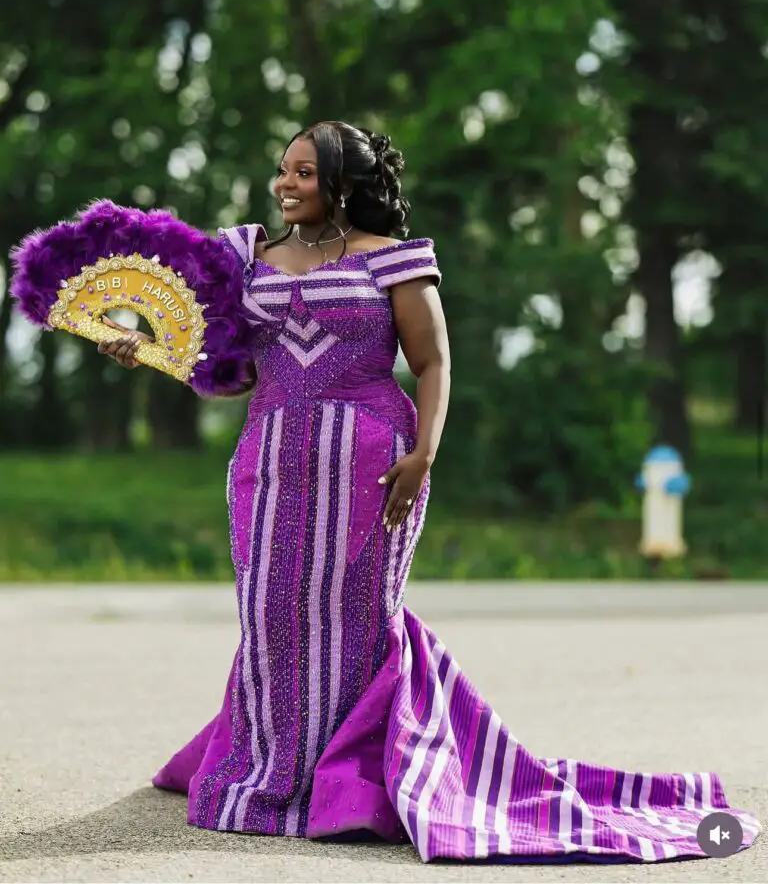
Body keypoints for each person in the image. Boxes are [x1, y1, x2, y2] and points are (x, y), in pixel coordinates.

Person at [99, 121, 759, 864]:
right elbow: (229, 375)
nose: (286, 184)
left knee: (359, 617)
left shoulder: (397, 260)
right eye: (283, 170)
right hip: (271, 462)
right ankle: (271, 772)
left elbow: (434, 362)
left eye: (305, 173)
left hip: (374, 465)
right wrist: (147, 351)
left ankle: (348, 782)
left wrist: (423, 454)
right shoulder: (243, 256)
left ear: (344, 185)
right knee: (271, 613)